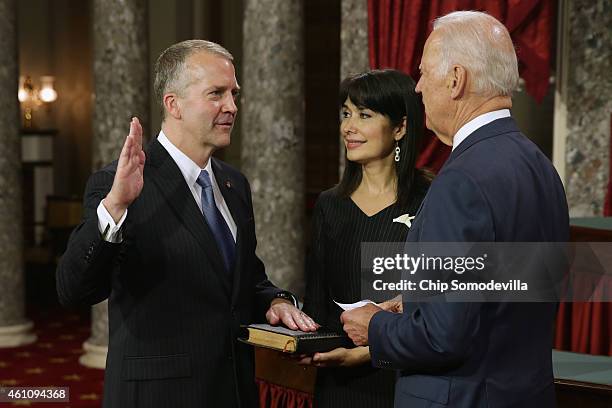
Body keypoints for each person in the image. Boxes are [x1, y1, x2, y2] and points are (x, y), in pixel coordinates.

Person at [56, 40, 317, 408]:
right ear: (173, 104)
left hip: (234, 392)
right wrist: (115, 206)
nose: (232, 106)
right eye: (216, 94)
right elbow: (73, 290)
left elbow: (243, 281)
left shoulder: (234, 185)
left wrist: (275, 299)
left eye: (233, 94)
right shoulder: (119, 185)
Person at [340, 11, 569, 408]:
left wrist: (374, 326)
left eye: (425, 73)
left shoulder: (462, 180)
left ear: (456, 79)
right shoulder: (540, 167)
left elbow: (442, 337)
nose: (418, 87)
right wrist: (415, 299)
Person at [301, 69, 430, 407]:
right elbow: (316, 302)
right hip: (338, 383)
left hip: (407, 380)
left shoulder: (431, 200)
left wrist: (367, 352)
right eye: (346, 113)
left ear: (400, 127)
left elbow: (438, 307)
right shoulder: (329, 205)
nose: (349, 127)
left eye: (364, 115)